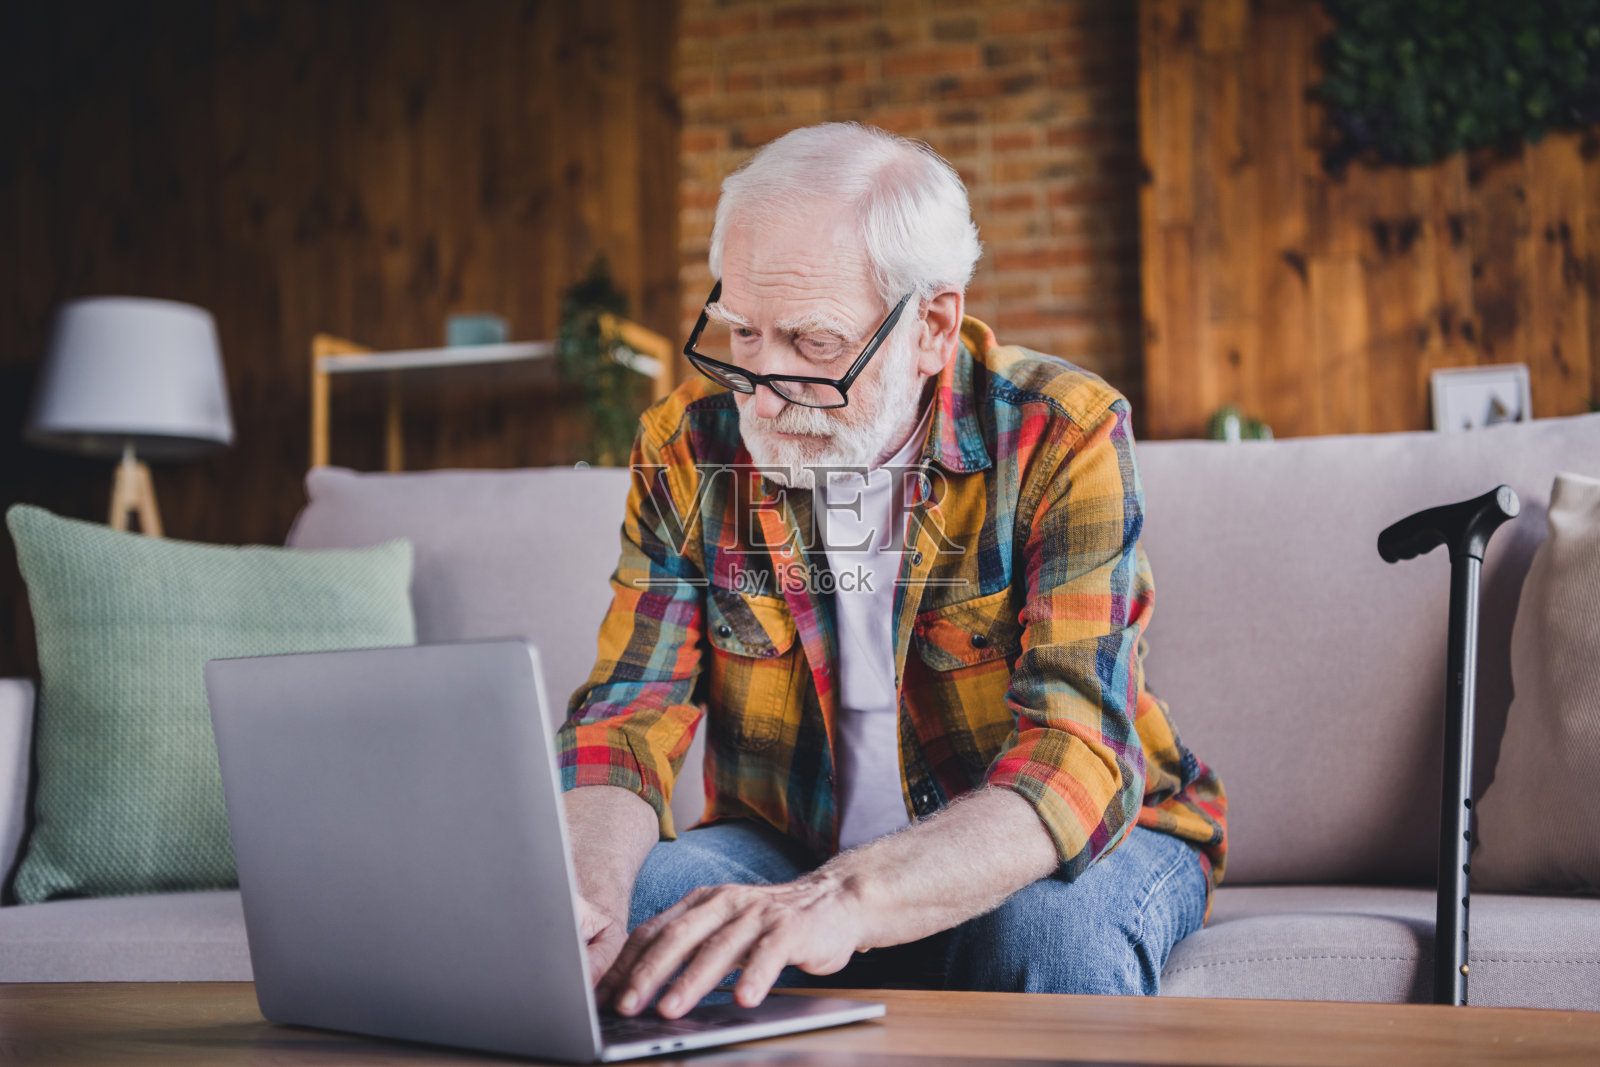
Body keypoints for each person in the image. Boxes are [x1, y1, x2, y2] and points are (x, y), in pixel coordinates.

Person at [557, 122, 1226, 1020]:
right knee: (642, 924)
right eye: (742, 332)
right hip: (791, 843)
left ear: (933, 326)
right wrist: (584, 900)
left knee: (1047, 935)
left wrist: (848, 899)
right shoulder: (687, 446)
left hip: (1073, 839)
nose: (761, 388)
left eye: (814, 344)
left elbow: (1074, 754)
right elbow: (626, 717)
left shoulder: (1061, 433)